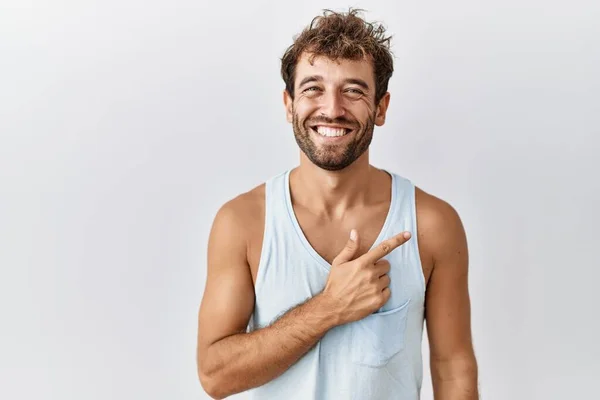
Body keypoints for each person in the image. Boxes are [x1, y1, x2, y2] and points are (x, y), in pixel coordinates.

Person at [196, 8, 478, 400]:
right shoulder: (243, 222)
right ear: (288, 104)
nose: (332, 108)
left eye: (354, 90)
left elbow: (453, 367)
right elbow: (215, 376)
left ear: (380, 107)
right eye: (313, 88)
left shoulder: (431, 223)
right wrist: (330, 307)